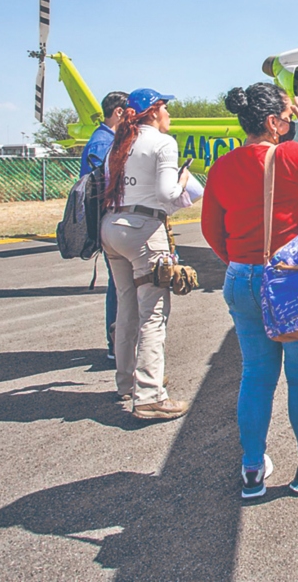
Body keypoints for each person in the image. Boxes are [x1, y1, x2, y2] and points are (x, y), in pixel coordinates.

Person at [201, 83, 298, 498]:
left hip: (241, 278)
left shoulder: (221, 167)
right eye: (288, 118)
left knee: (255, 375)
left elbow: (211, 231)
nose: (292, 124)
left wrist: (244, 263)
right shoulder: (289, 155)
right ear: (273, 123)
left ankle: (252, 468)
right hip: (291, 282)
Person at [100, 88, 192, 421]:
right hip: (143, 229)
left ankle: (126, 382)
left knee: (126, 308)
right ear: (153, 112)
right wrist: (183, 181)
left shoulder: (119, 143)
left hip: (111, 226)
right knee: (153, 315)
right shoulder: (163, 143)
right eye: (165, 107)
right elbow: (167, 193)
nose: (168, 114)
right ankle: (150, 395)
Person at [81, 90, 128, 362]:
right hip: (110, 221)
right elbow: (98, 189)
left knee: (120, 285)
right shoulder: (103, 144)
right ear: (120, 112)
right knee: (120, 286)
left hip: (110, 221)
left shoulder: (107, 141)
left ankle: (118, 343)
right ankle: (116, 345)